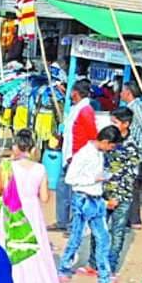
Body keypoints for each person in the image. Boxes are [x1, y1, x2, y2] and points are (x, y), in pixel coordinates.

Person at [0, 129, 59, 283]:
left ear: (15, 146)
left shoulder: (7, 166)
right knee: (30, 251)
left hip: (12, 210)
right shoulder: (40, 168)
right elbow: (44, 197)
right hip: (32, 211)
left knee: (7, 248)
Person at [57, 125, 128, 283]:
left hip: (96, 198)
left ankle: (104, 277)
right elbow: (70, 178)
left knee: (103, 238)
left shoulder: (99, 153)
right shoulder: (84, 154)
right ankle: (63, 269)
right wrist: (94, 178)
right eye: (111, 146)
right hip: (83, 198)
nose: (112, 149)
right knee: (76, 237)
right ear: (104, 141)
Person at [84, 107, 141, 279]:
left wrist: (116, 196)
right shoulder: (108, 139)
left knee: (117, 232)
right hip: (103, 193)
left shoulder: (131, 146)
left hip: (120, 196)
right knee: (97, 228)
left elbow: (130, 175)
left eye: (116, 122)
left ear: (126, 124)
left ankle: (110, 267)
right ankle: (93, 264)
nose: (113, 125)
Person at [51, 79, 97, 232]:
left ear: (75, 93)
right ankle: (62, 221)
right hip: (68, 155)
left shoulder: (86, 110)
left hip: (76, 157)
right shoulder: (76, 108)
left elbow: (91, 136)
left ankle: (72, 225)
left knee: (74, 194)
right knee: (63, 189)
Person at [120, 82, 142, 230]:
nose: (120, 94)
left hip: (134, 152)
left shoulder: (136, 108)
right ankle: (131, 218)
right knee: (132, 185)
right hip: (133, 152)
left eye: (122, 91)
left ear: (128, 93)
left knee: (131, 186)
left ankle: (133, 219)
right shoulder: (139, 106)